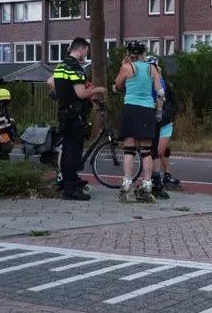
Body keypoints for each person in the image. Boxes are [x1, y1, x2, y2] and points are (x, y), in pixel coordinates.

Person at [50, 37, 106, 200]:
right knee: (73, 152)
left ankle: (71, 180)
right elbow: (81, 93)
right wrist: (98, 90)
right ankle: (70, 189)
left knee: (68, 149)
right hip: (75, 115)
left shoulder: (61, 65)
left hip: (64, 113)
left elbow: (51, 82)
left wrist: (63, 94)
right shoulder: (75, 68)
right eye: (86, 51)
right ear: (81, 48)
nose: (86, 54)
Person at [114, 40, 165, 201]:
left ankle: (127, 183)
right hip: (147, 110)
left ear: (128, 52)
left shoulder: (127, 67)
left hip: (131, 108)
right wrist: (158, 111)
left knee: (129, 148)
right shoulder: (152, 68)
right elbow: (160, 92)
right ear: (143, 53)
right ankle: (147, 184)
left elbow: (118, 85)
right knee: (146, 150)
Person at [145, 56, 172, 199]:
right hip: (153, 116)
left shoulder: (156, 81)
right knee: (151, 150)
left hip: (152, 116)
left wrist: (159, 112)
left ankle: (154, 181)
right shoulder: (156, 80)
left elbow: (161, 97)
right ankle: (155, 181)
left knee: (150, 150)